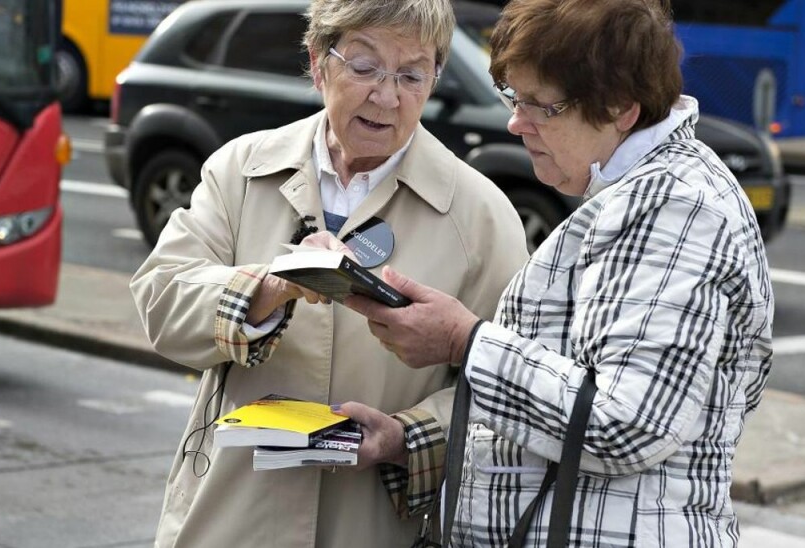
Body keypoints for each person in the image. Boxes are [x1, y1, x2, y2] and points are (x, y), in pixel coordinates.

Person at [343, 0, 775, 545]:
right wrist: (408, 440)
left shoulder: (675, 206)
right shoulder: (648, 192)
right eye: (513, 98)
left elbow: (626, 424)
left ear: (621, 108)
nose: (516, 122)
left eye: (541, 106)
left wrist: (464, 342)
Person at [128, 0, 529, 546]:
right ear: (318, 62)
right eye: (364, 66)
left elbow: (510, 388)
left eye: (412, 74)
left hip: (371, 525)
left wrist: (405, 437)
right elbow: (160, 299)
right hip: (228, 517)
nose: (387, 96)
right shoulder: (240, 170)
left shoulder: (482, 216)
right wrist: (270, 287)